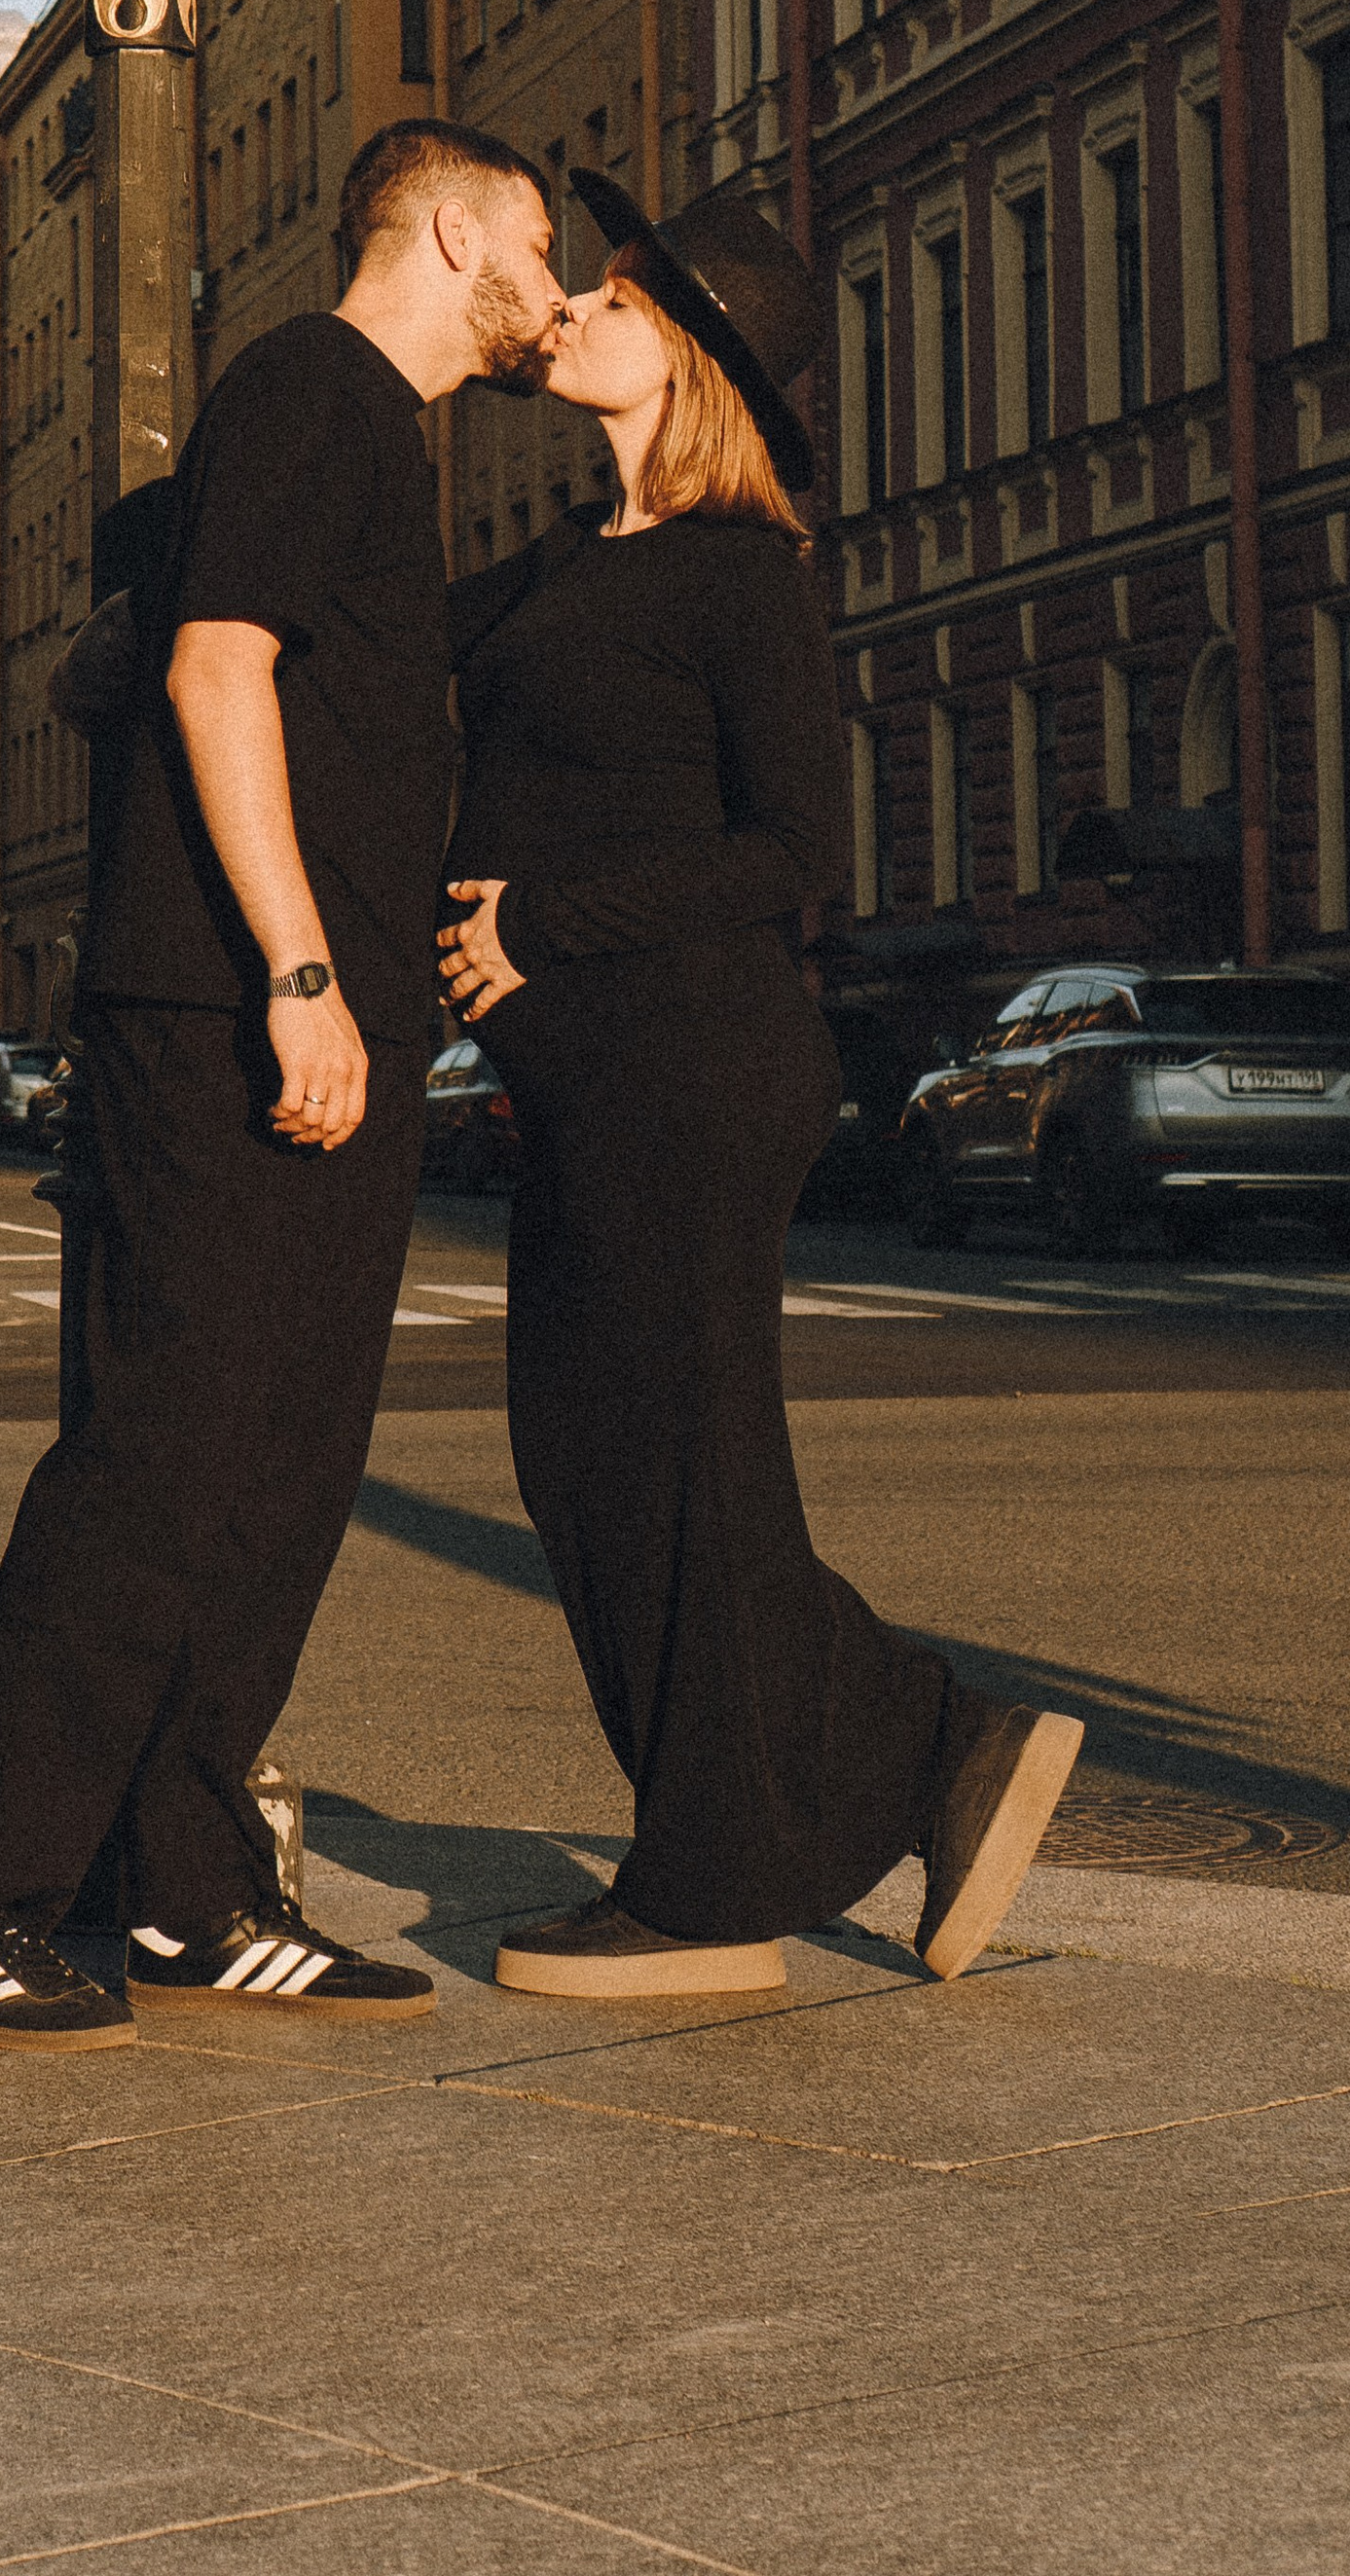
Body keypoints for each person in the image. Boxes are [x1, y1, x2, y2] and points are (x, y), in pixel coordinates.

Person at [0, 118, 566, 2051]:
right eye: (537, 241)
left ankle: (185, 1889)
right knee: (162, 1461)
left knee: (282, 1472)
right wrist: (296, 971)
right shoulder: (308, 388)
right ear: (452, 233)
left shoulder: (380, 442)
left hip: (334, 1025)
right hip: (225, 1015)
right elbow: (212, 671)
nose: (555, 285)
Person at [439, 172, 1082, 1998]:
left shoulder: (739, 571)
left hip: (695, 1071)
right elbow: (375, 643)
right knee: (594, 1466)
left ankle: (715, 1883)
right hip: (596, 1087)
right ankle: (927, 1739)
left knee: (683, 1471)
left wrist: (542, 919)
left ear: (692, 362)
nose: (577, 310)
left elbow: (794, 850)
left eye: (618, 300)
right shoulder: (568, 559)